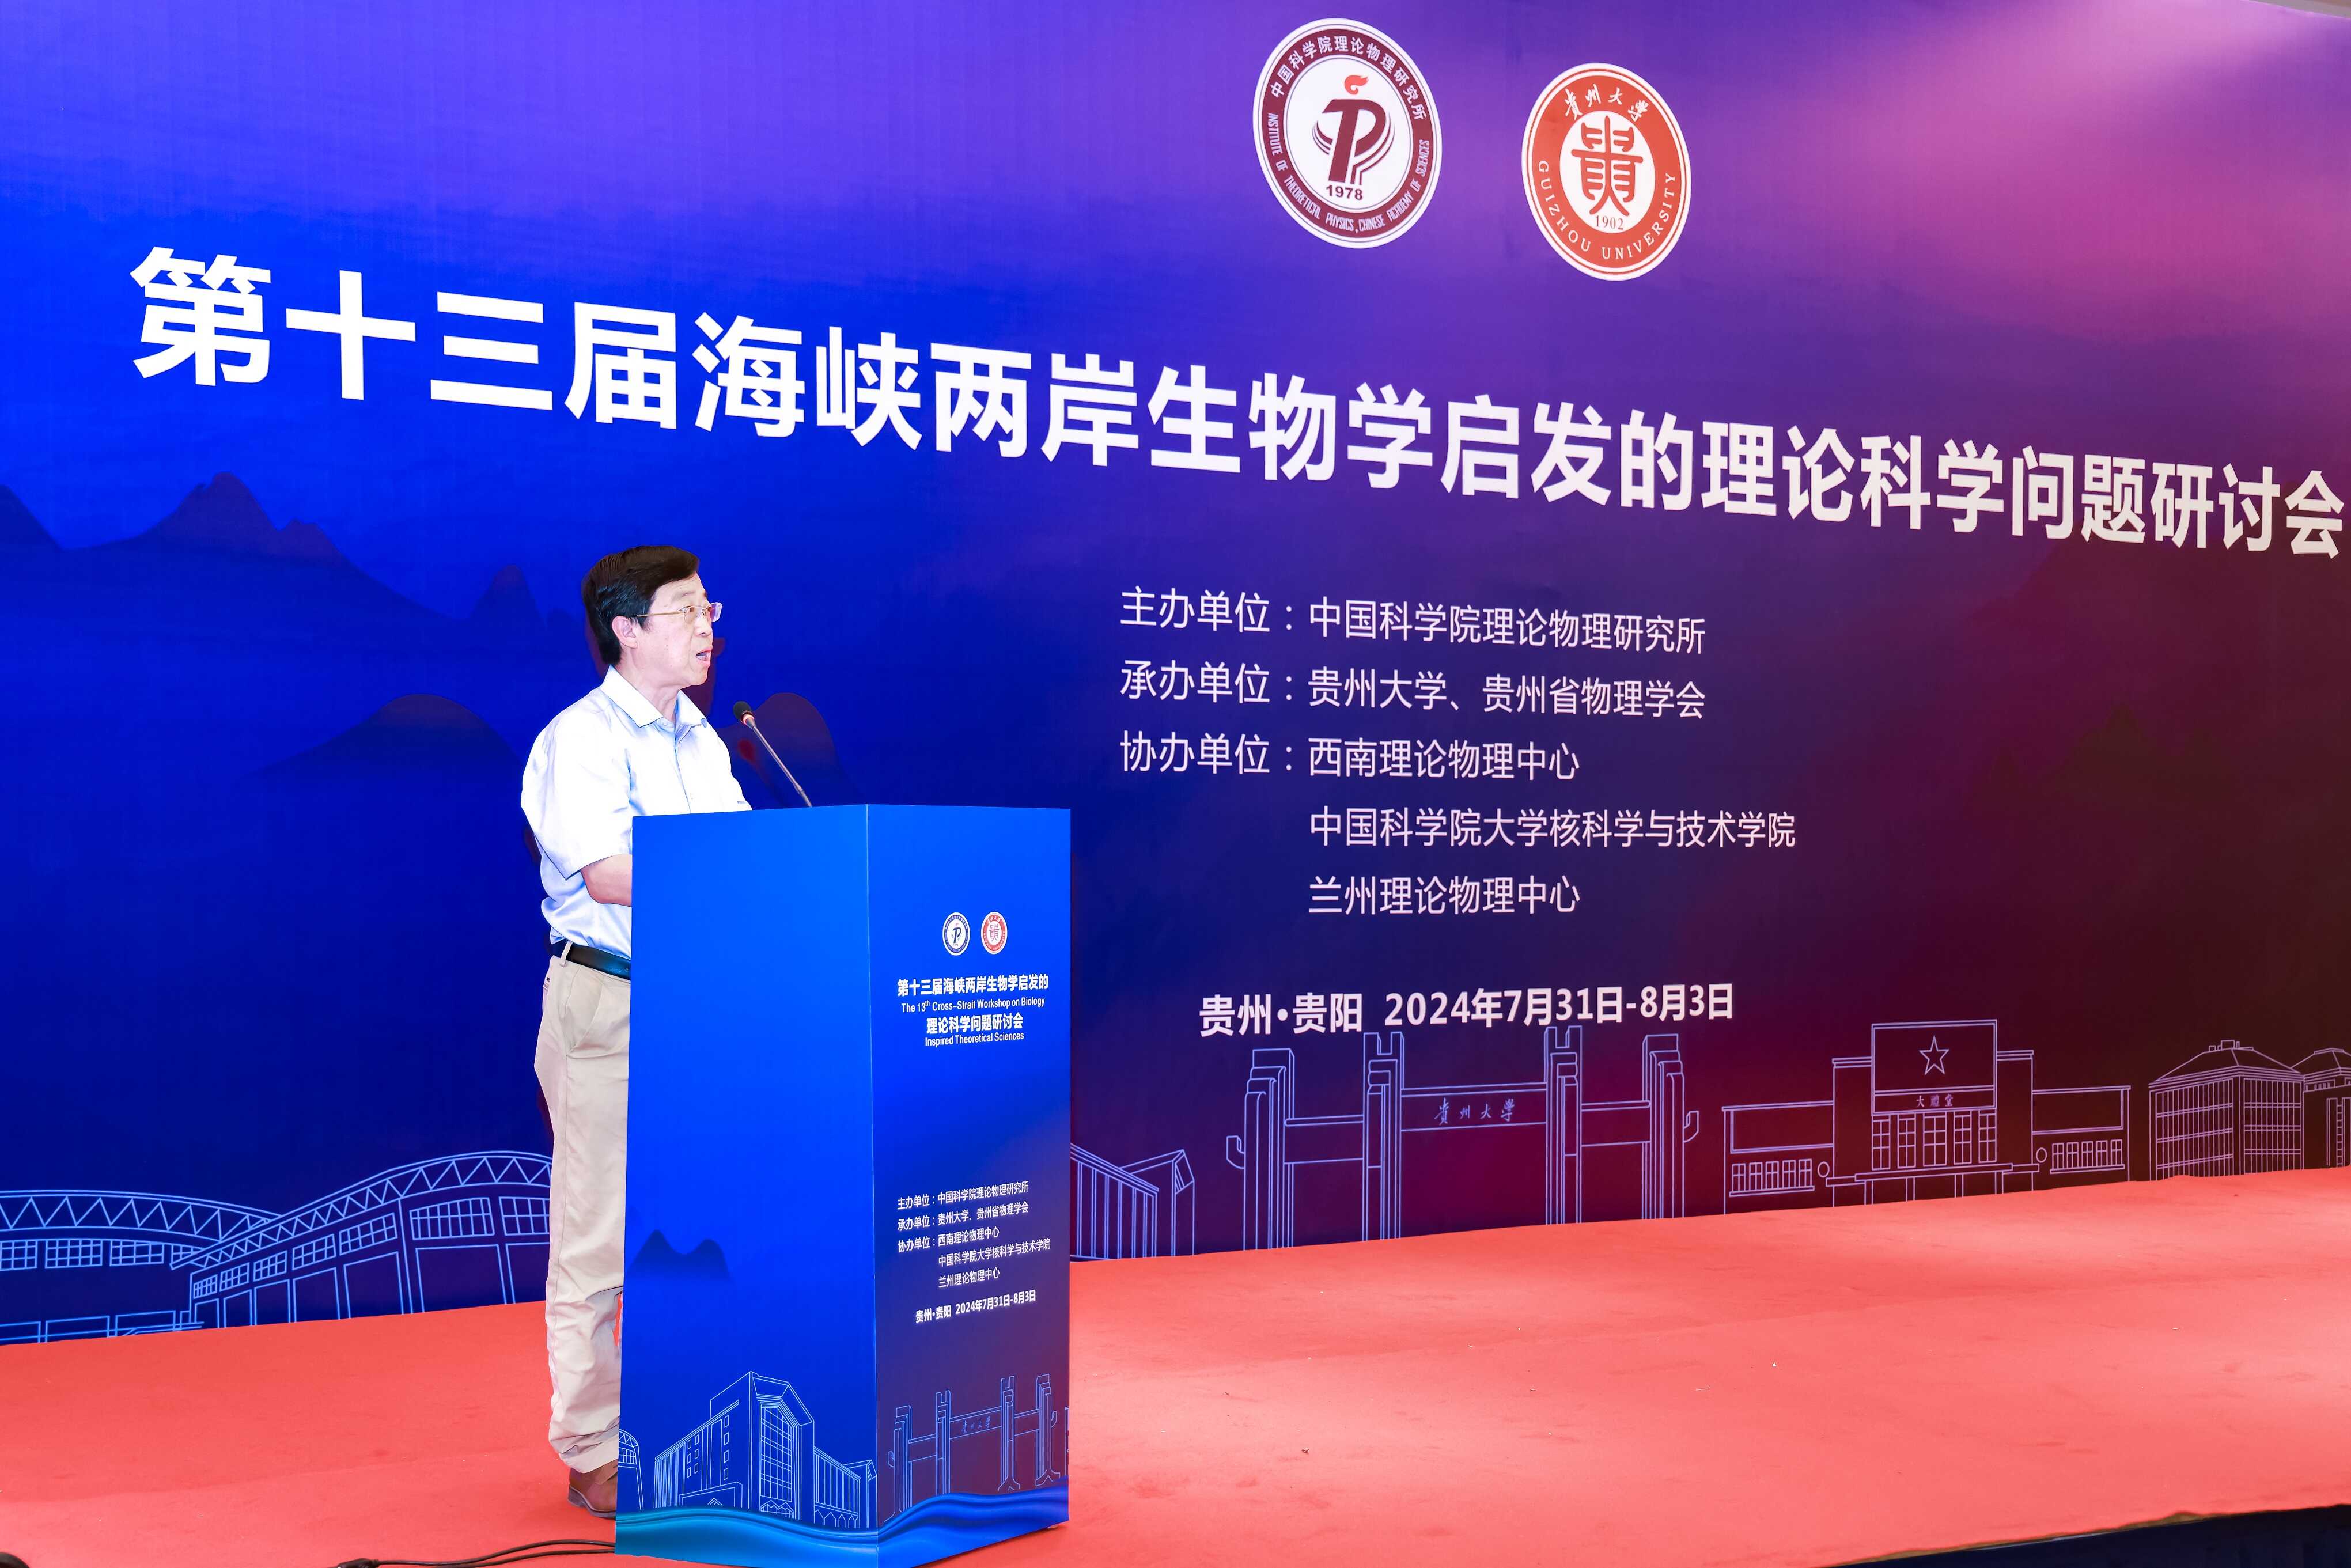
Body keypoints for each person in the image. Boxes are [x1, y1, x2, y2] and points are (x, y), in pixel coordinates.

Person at [519, 546, 749, 1517]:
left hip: (701, 1008)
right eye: (685, 610)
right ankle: (592, 1443)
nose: (706, 626)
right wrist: (731, 873)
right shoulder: (580, 738)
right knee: (598, 1235)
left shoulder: (706, 740)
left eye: (708, 608)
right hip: (610, 1001)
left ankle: (689, 1410)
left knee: (696, 1228)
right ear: (625, 629)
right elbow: (608, 872)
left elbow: (751, 858)